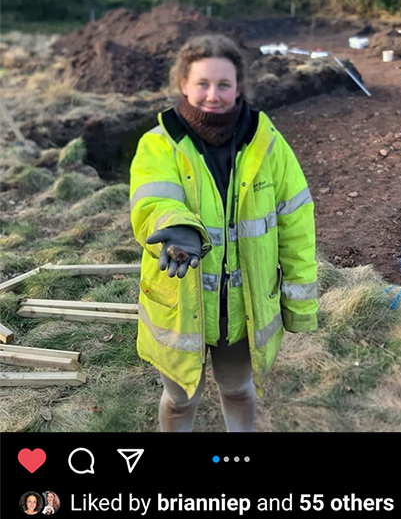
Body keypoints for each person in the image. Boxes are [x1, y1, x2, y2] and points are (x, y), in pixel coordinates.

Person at [130, 34, 317, 433]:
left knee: (237, 391)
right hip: (180, 305)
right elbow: (152, 202)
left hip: (242, 312)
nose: (212, 95)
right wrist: (176, 226)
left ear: (239, 87)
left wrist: (299, 306)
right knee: (180, 400)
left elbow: (297, 225)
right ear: (182, 84)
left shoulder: (269, 146)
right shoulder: (158, 145)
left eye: (223, 84)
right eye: (202, 83)